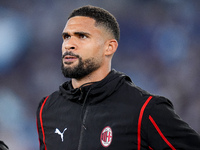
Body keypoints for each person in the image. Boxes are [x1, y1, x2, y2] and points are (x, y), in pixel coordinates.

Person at [36, 5, 200, 150]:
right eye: (66, 36)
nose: (69, 44)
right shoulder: (47, 109)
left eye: (82, 36)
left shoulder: (145, 109)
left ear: (109, 47)